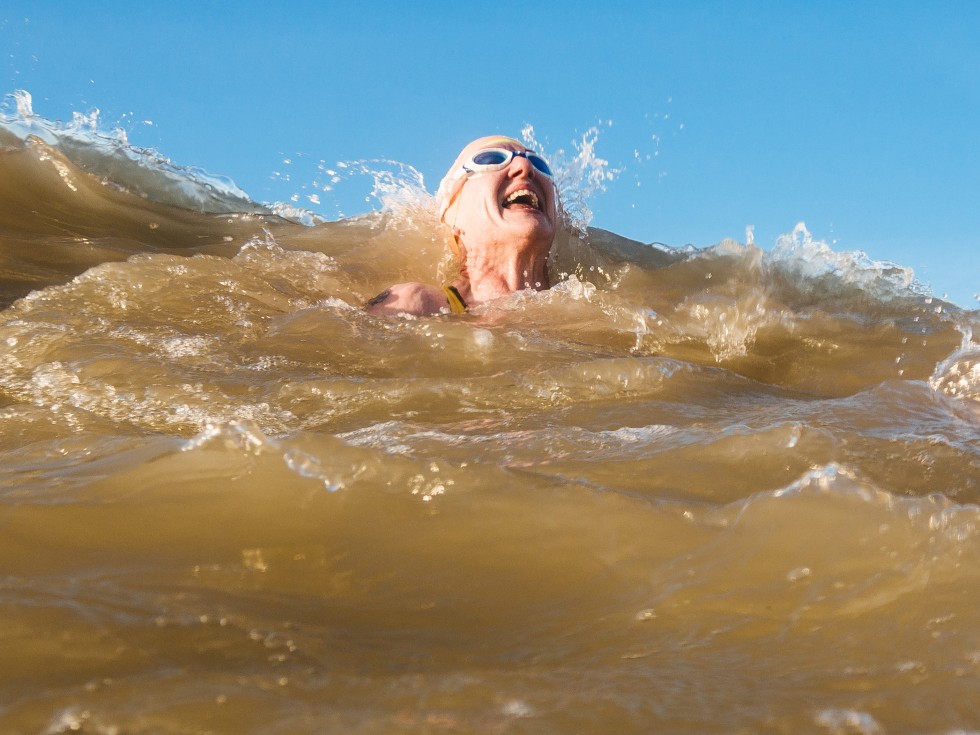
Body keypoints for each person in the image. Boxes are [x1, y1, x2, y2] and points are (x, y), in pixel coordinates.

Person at [366, 135, 558, 316]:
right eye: (492, 159)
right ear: (453, 219)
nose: (525, 166)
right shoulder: (415, 306)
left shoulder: (585, 313)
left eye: (538, 163)